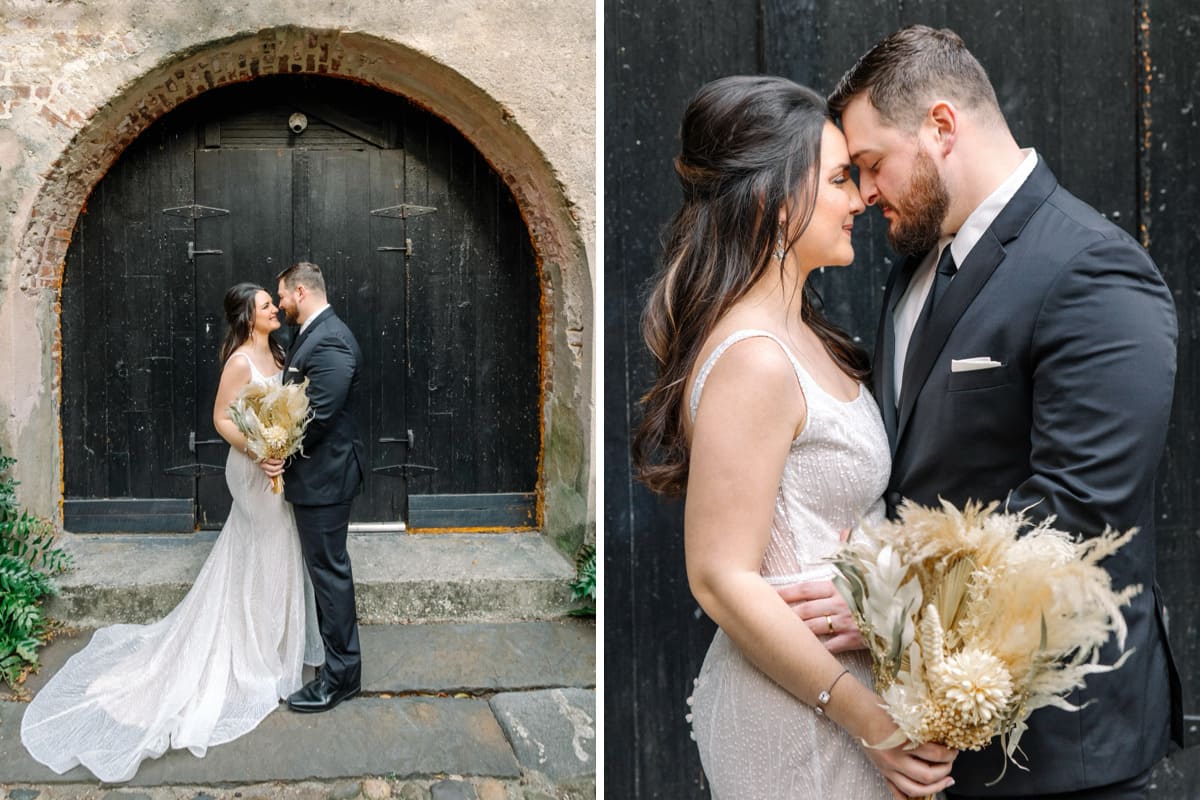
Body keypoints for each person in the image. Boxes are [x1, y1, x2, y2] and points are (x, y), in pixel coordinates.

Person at [784, 25, 1181, 800]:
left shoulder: (1093, 270)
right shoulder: (914, 264)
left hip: (1060, 744)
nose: (864, 194)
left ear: (941, 127)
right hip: (930, 732)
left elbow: (1079, 513)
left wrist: (885, 595)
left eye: (870, 165)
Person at [633, 75, 957, 800]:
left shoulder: (805, 336)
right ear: (777, 201)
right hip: (804, 717)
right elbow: (720, 577)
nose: (860, 199)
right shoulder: (754, 357)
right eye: (841, 178)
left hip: (847, 697)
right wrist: (866, 718)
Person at [21, 283, 323, 782]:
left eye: (275, 301)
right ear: (249, 316)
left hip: (275, 468)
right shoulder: (241, 362)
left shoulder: (278, 350)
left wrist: (282, 443)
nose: (276, 307)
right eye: (267, 303)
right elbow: (222, 418)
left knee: (274, 551)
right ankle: (257, 659)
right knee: (268, 547)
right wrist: (258, 447)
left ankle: (271, 645)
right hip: (251, 472)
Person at [267, 261, 365, 713]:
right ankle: (336, 666)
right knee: (325, 573)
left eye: (283, 295)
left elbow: (317, 417)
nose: (281, 302)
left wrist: (276, 450)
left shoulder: (331, 341)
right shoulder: (313, 334)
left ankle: (341, 677)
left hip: (326, 481)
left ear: (301, 291)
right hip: (316, 480)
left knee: (329, 576)